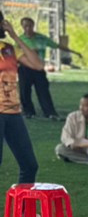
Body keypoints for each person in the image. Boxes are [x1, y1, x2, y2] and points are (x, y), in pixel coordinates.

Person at [0, 20, 43, 184]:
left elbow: (38, 65)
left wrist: (15, 36)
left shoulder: (10, 49)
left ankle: (24, 202)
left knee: (30, 166)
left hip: (13, 113)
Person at [16, 17, 62, 119]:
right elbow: (17, 54)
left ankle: (50, 112)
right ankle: (28, 112)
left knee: (43, 91)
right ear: (22, 27)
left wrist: (73, 51)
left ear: (33, 25)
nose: (28, 28)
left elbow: (56, 45)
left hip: (38, 68)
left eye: (29, 25)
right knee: (24, 91)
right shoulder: (20, 40)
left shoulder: (41, 38)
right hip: (25, 68)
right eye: (25, 26)